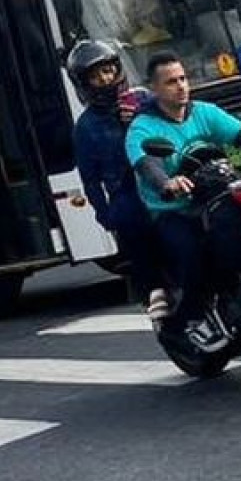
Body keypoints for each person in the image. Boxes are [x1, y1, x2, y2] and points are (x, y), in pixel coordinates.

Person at [124, 53, 241, 334]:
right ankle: (187, 320)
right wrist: (167, 183)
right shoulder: (143, 127)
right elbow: (147, 164)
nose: (181, 86)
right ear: (154, 89)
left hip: (216, 197)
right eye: (170, 82)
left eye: (182, 79)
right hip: (175, 210)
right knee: (192, 256)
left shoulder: (204, 112)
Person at [64, 38, 150, 298]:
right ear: (84, 83)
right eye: (95, 75)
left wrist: (138, 116)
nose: (104, 79)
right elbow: (90, 181)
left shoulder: (143, 101)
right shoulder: (86, 127)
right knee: (147, 273)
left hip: (162, 187)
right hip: (128, 200)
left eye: (108, 70)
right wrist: (107, 215)